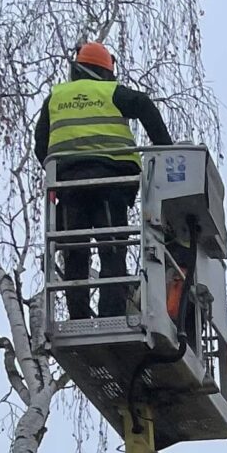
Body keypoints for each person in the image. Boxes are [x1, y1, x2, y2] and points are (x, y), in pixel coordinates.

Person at [34, 40, 173, 319]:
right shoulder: (110, 91)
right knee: (111, 249)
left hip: (70, 186)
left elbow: (40, 145)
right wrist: (165, 150)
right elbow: (144, 105)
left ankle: (79, 316)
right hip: (110, 185)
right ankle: (111, 313)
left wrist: (57, 170)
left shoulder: (56, 98)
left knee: (76, 252)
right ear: (105, 71)